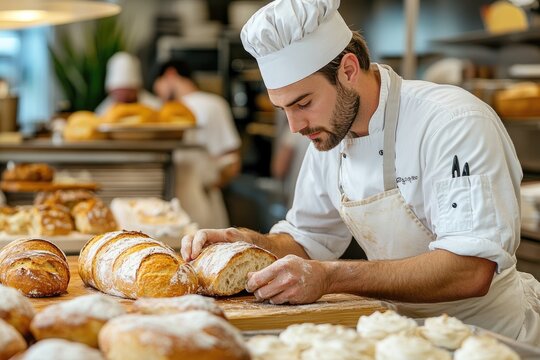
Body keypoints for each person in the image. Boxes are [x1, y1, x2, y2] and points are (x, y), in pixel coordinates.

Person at [181, 0, 540, 346]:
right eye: (283, 109)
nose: (294, 126)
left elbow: (470, 269)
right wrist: (245, 242)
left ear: (349, 70)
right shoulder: (329, 134)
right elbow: (308, 239)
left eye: (303, 103)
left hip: (489, 336)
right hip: (399, 337)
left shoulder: (452, 123)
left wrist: (331, 276)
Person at [153, 60, 242, 228]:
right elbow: (232, 161)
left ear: (170, 74)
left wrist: (204, 184)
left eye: (157, 87)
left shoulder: (212, 105)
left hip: (202, 205)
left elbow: (233, 162)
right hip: (176, 208)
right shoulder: (168, 111)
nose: (158, 94)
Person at [95, 52, 161, 115]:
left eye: (128, 92)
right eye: (119, 92)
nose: (124, 97)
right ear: (110, 91)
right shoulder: (102, 113)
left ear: (137, 89)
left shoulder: (156, 108)